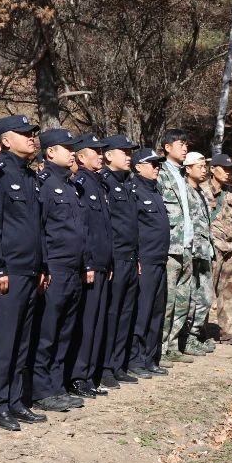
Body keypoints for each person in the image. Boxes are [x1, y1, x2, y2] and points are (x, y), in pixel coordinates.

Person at [0, 115, 49, 432]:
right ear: (6, 141)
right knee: (4, 340)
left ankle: (15, 400)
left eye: (33, 134)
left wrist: (43, 266)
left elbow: (38, 228)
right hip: (8, 271)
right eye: (24, 134)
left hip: (31, 271)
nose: (32, 139)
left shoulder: (30, 176)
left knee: (23, 341)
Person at [31, 128, 88, 412]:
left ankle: (57, 385)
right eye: (67, 147)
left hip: (72, 269)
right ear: (51, 152)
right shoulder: (43, 184)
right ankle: (41, 389)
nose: (73, 152)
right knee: (47, 332)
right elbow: (40, 229)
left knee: (65, 330)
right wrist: (43, 267)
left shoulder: (70, 185)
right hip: (54, 269)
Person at [68, 133, 115, 398]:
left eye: (101, 151)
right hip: (89, 265)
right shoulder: (83, 182)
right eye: (95, 151)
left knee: (97, 321)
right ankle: (77, 376)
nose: (100, 154)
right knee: (86, 323)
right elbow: (83, 228)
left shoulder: (99, 184)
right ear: (81, 157)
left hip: (101, 263)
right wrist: (88, 261)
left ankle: (88, 375)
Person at [98, 133, 143, 386]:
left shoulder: (128, 183)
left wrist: (135, 255)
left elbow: (131, 225)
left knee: (126, 312)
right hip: (114, 259)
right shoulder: (104, 181)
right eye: (124, 152)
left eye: (130, 152)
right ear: (109, 155)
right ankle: (104, 367)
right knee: (111, 313)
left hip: (129, 257)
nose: (129, 157)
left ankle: (117, 363)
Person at [129, 148, 170, 378]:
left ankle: (150, 358)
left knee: (157, 311)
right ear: (138, 167)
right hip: (144, 260)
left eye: (158, 164)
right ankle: (135, 359)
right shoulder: (134, 191)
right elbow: (132, 229)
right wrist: (136, 258)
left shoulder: (155, 191)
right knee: (142, 312)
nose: (157, 168)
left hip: (159, 260)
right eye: (152, 164)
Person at [203, 152, 232, 347]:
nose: (228, 173)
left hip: (230, 248)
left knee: (230, 290)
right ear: (212, 169)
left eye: (231, 169)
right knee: (205, 291)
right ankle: (198, 334)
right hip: (211, 248)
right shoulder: (200, 190)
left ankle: (229, 332)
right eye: (224, 168)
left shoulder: (230, 192)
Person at [157, 129, 195, 363]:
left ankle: (173, 345)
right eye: (181, 144)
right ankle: (159, 349)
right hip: (170, 248)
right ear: (167, 147)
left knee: (183, 300)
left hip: (187, 246)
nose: (185, 148)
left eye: (186, 144)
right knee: (167, 301)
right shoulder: (160, 174)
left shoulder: (183, 175)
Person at [181, 151, 215, 356]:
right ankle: (186, 338)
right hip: (191, 252)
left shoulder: (201, 191)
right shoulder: (184, 191)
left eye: (205, 167)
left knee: (205, 296)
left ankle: (196, 334)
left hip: (203, 251)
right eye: (200, 167)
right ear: (188, 169)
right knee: (191, 297)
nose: (204, 170)